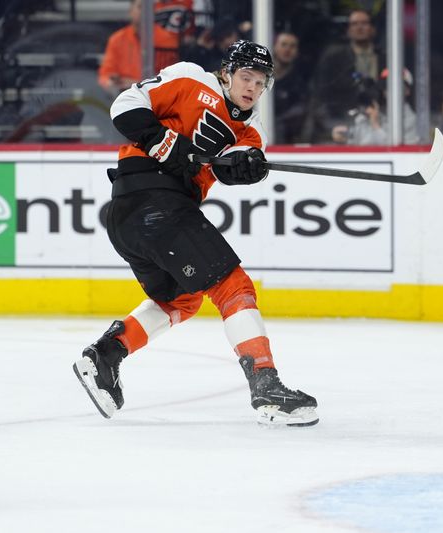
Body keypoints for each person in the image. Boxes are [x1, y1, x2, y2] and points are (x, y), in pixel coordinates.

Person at [74, 40, 319, 427]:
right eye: (246, 77)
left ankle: (106, 355)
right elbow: (124, 106)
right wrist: (164, 142)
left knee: (183, 299)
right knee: (232, 286)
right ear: (226, 73)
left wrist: (246, 169)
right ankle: (266, 385)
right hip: (151, 200)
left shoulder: (252, 132)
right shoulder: (190, 79)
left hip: (139, 217)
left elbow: (229, 169)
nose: (252, 87)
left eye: (261, 81)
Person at [302, 9, 385, 143]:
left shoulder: (385, 58)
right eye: (354, 24)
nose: (359, 27)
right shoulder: (334, 57)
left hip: (380, 124)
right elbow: (320, 97)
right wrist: (330, 128)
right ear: (348, 30)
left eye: (364, 23)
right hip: (340, 123)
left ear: (373, 29)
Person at [98, 0, 180, 98]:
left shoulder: (168, 39)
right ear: (130, 11)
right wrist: (111, 82)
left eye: (148, 8)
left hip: (156, 98)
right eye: (140, 7)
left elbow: (172, 79)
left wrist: (136, 83)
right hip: (124, 96)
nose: (144, 11)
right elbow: (105, 74)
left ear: (153, 12)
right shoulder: (117, 39)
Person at [330, 67, 420, 145]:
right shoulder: (376, 110)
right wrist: (346, 136)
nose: (390, 89)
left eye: (396, 85)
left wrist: (375, 124)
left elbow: (393, 151)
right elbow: (363, 140)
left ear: (407, 91)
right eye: (386, 85)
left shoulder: (411, 119)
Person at [271, 31, 308, 144]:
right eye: (283, 45)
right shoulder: (260, 76)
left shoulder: (301, 81)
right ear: (274, 47)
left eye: (292, 46)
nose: (287, 50)